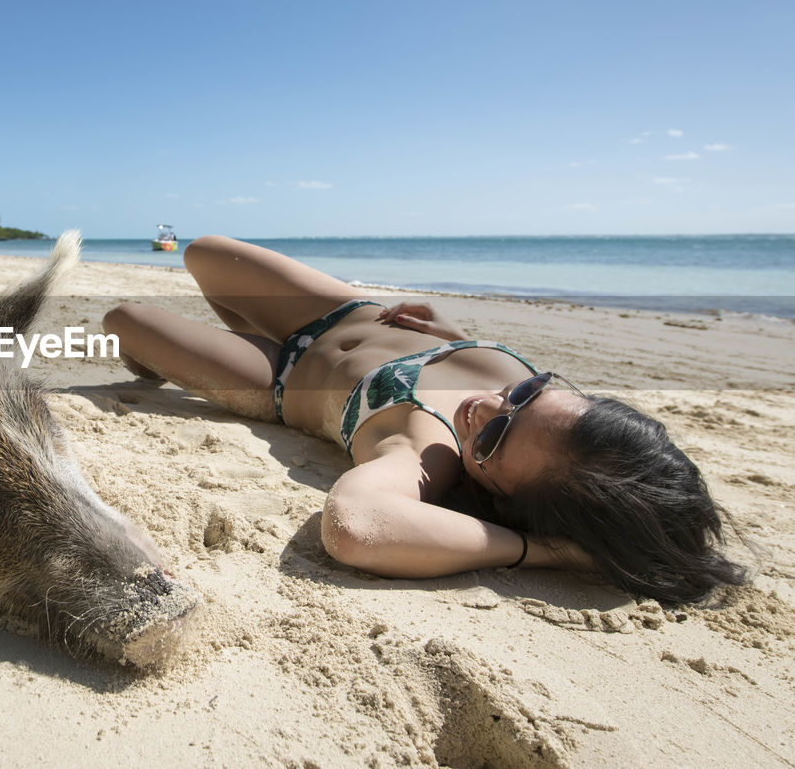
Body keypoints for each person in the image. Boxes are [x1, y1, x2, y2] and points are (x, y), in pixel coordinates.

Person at [102, 235, 747, 605]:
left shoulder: (427, 456)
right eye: (527, 392)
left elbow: (354, 527)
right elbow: (505, 401)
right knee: (203, 252)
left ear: (499, 497)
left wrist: (544, 551)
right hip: (347, 315)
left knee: (122, 320)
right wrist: (458, 337)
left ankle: (179, 351)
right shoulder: (538, 421)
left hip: (281, 381)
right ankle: (215, 336)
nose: (489, 406)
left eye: (493, 438)